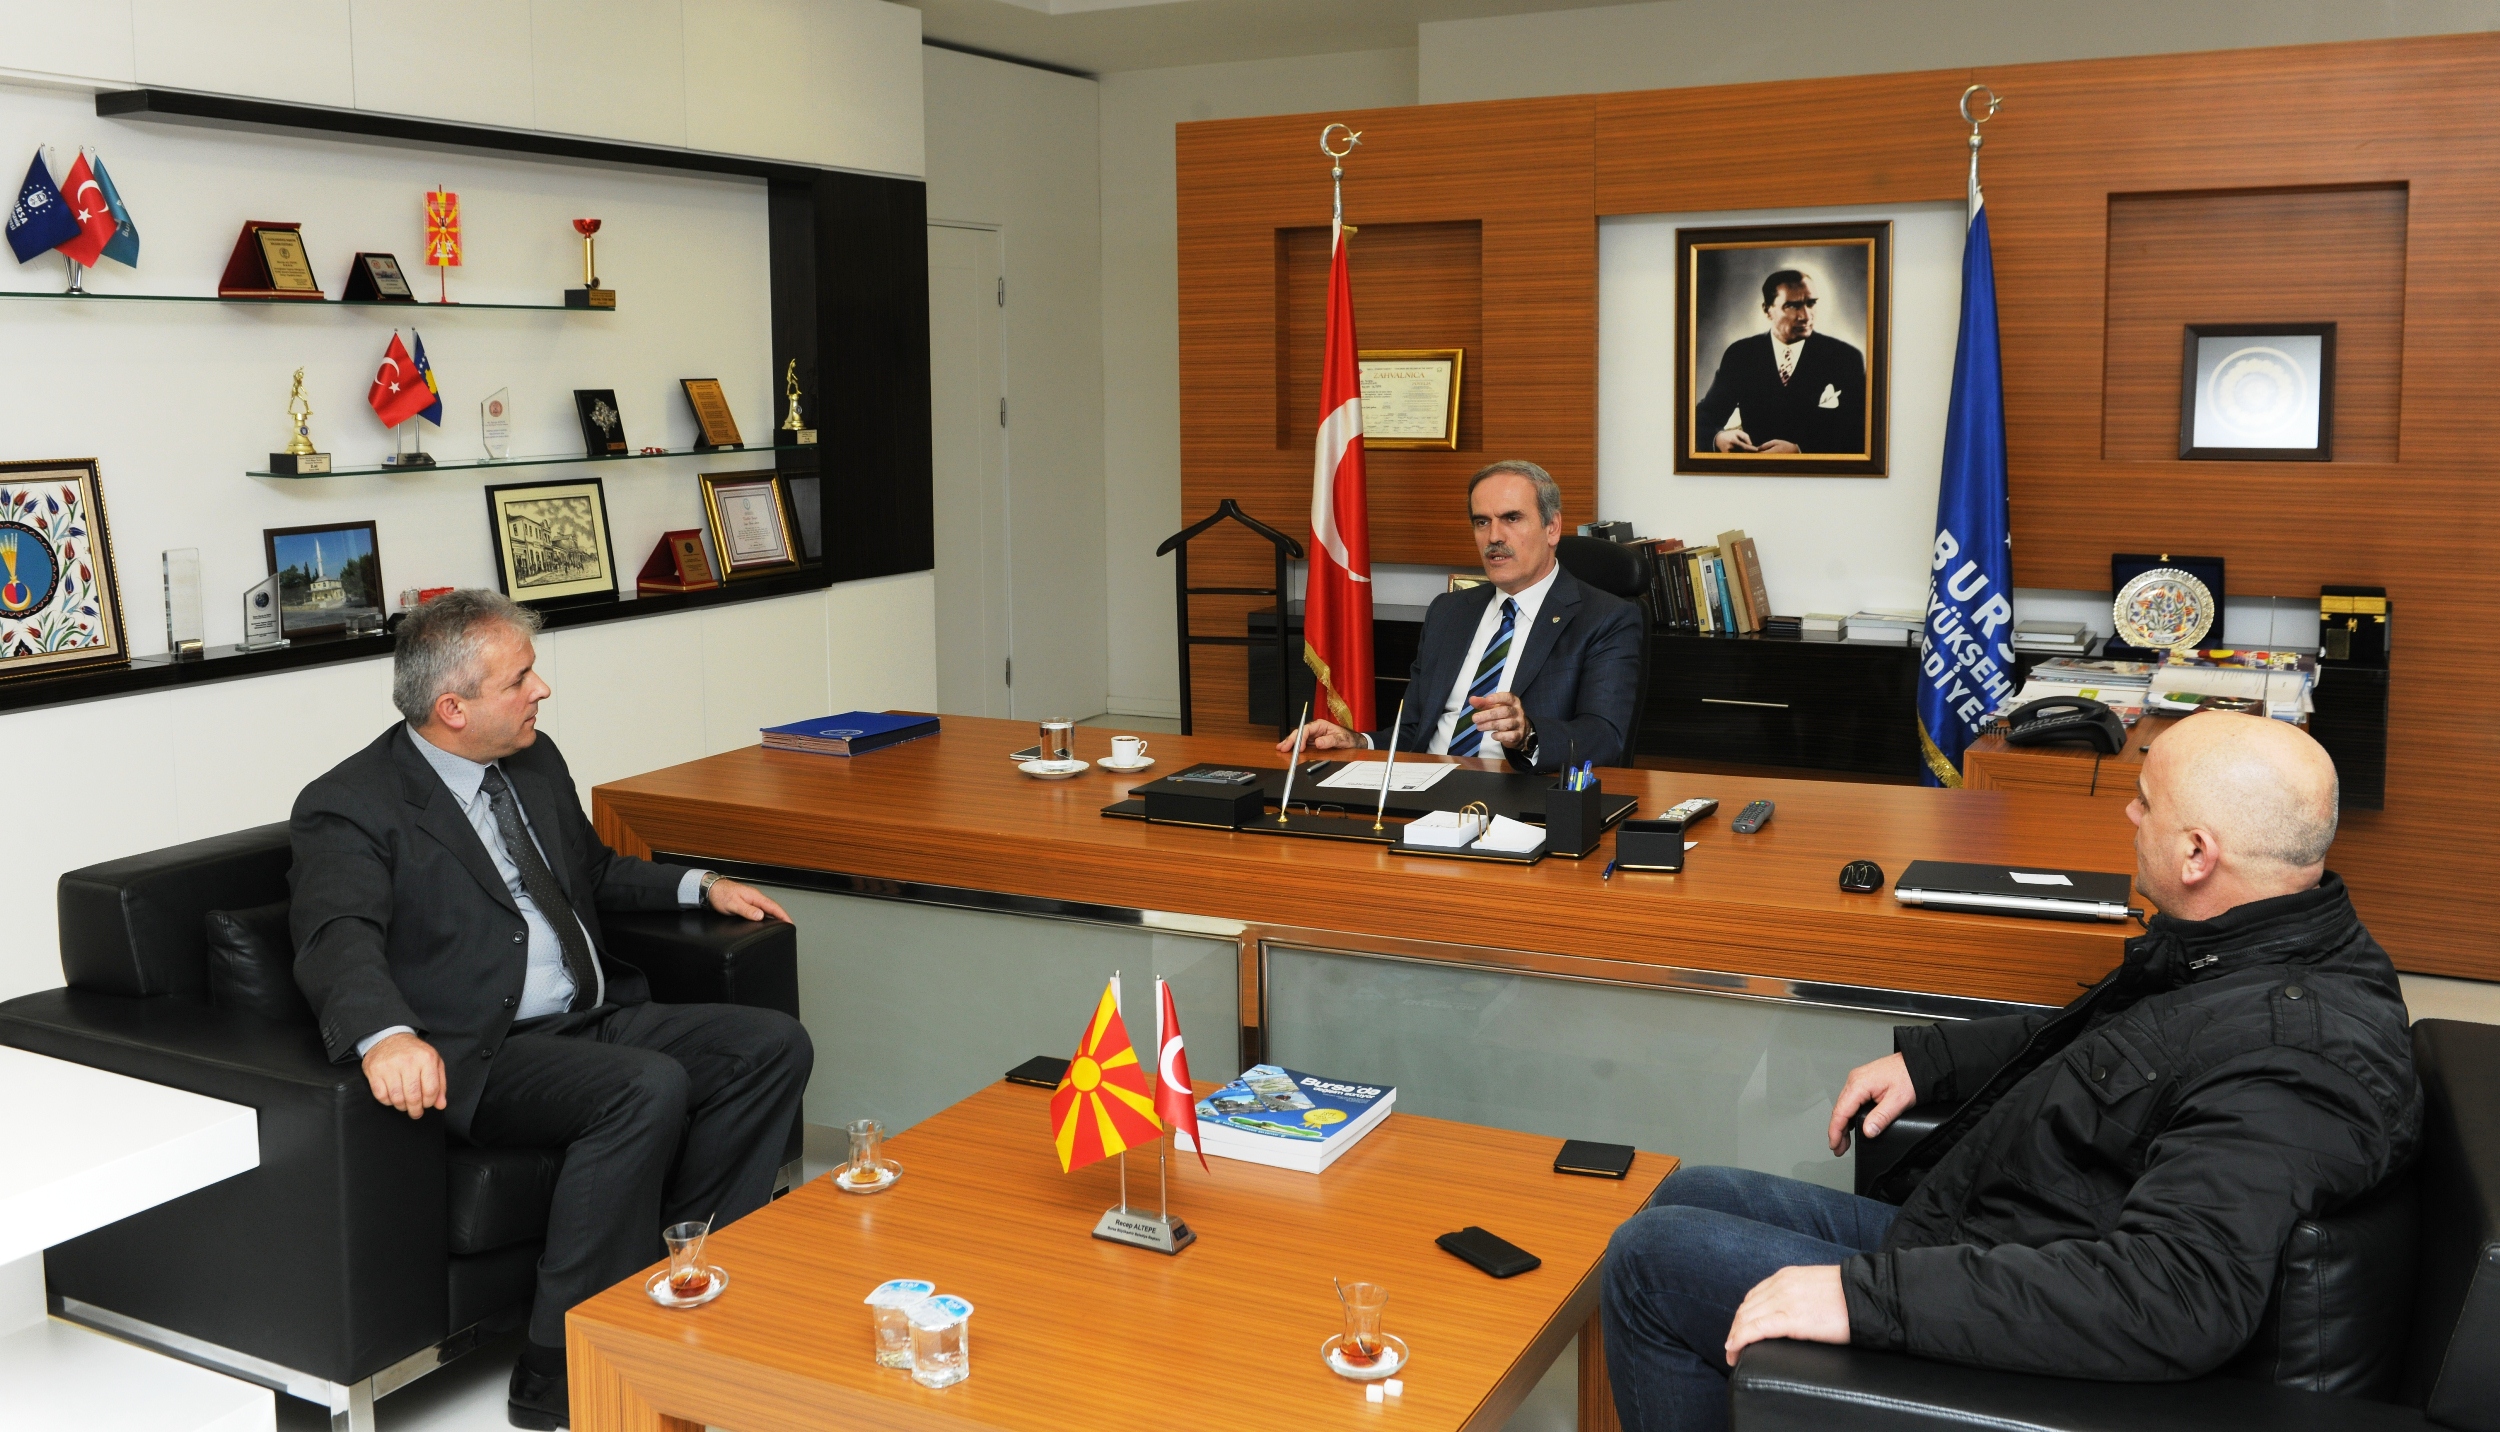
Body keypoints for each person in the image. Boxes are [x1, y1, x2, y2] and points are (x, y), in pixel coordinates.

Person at [1599, 711, 2420, 1432]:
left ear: (2197, 853)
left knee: (1648, 1262)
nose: (2130, 815)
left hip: (2020, 1316)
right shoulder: (2255, 942)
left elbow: (2173, 1297)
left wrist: (1866, 1300)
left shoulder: (2293, 1062)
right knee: (1688, 1192)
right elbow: (2112, 1042)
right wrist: (1933, 1062)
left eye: (2146, 803)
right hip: (1995, 1238)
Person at [289, 589, 814, 1431]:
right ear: (452, 708)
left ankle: (680, 1283)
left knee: (770, 1045)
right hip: (484, 1048)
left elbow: (592, 872)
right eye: (520, 679)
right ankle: (557, 1366)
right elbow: (336, 935)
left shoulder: (532, 761)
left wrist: (701, 885)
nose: (542, 690)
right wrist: (386, 1037)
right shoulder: (351, 804)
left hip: (590, 1017)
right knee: (644, 1086)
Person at [1277, 459, 1643, 771]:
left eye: (1511, 518)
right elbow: (1416, 732)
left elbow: (1604, 738)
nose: (1494, 536)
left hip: (1519, 795)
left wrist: (1528, 735)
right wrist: (1358, 741)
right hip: (1424, 789)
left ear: (1552, 528)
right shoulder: (1449, 612)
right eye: (1482, 522)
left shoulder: (1606, 619)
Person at [1692, 269, 1867, 456]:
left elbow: (1861, 430)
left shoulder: (1845, 358)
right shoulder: (1741, 355)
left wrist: (1801, 450)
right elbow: (1704, 417)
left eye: (1811, 303)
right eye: (1792, 306)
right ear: (1767, 310)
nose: (1806, 316)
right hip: (1754, 471)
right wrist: (1717, 438)